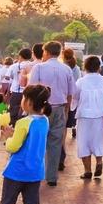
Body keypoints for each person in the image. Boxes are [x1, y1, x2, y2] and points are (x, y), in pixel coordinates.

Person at [30, 41, 78, 188]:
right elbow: (71, 92)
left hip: (41, 108)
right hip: (60, 108)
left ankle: (35, 173)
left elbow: (32, 89)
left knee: (37, 140)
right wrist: (66, 108)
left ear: (46, 52)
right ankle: (52, 176)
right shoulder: (67, 69)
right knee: (56, 143)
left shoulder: (39, 67)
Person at [72, 55, 103, 180]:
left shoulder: (81, 81)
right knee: (98, 140)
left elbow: (75, 98)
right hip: (100, 115)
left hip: (84, 116)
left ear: (85, 67)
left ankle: (87, 170)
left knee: (83, 142)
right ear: (99, 67)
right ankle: (99, 162)